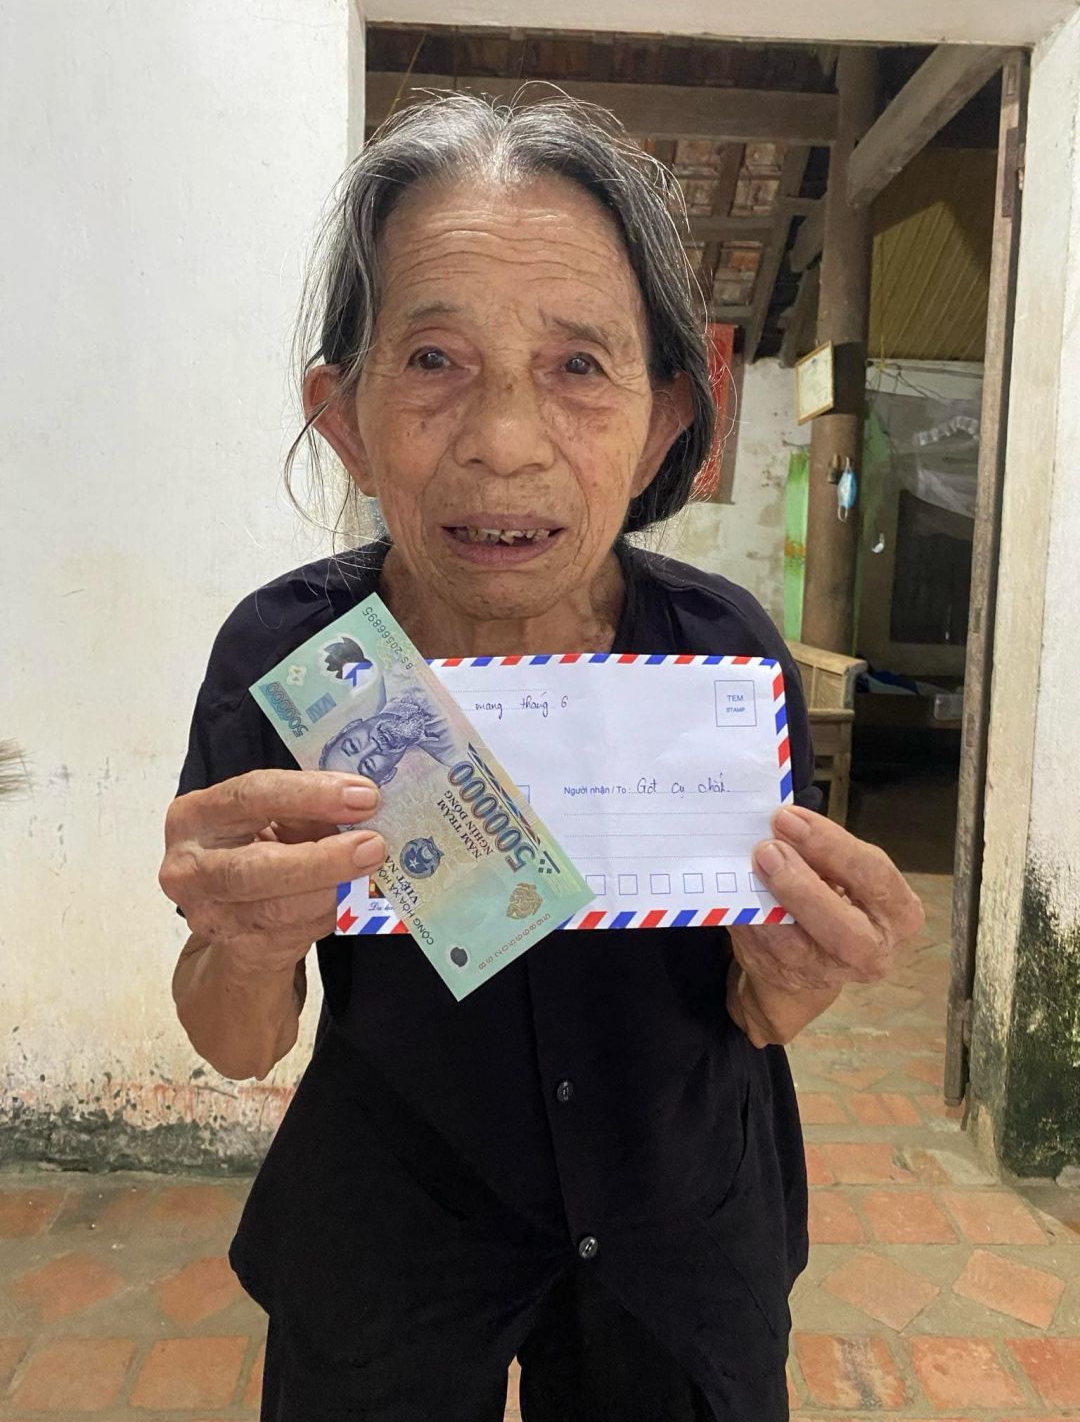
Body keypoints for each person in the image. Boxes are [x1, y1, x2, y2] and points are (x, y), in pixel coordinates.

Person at [159, 91, 924, 1422]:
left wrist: (800, 978)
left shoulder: (724, 663)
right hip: (391, 1235)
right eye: (434, 358)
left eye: (578, 366)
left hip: (679, 1237)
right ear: (345, 417)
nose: (504, 443)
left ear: (666, 418)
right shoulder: (295, 662)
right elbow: (238, 1045)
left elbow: (755, 1011)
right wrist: (241, 945)